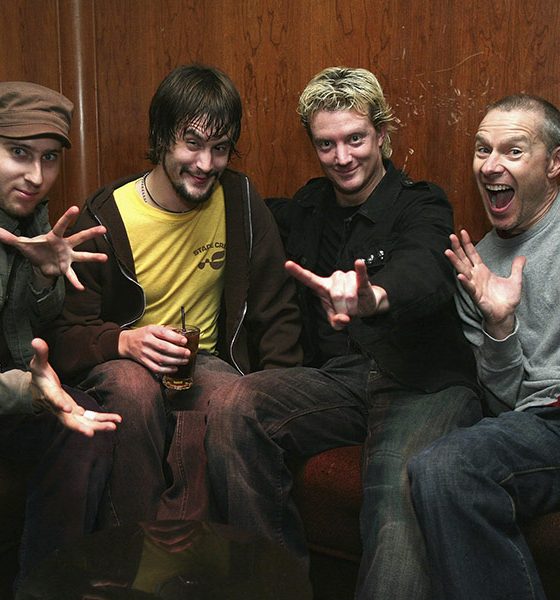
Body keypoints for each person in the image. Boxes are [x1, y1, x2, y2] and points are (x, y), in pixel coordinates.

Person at [205, 66, 482, 600]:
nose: (342, 157)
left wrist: (373, 296)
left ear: (381, 132)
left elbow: (426, 271)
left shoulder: (421, 202)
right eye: (326, 144)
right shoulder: (306, 208)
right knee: (235, 405)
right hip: (342, 381)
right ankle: (275, 588)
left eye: (355, 138)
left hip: (422, 382)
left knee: (396, 502)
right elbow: (232, 217)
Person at [47, 64, 302, 529]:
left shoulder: (241, 202)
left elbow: (276, 310)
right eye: (192, 143)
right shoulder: (106, 217)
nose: (206, 164)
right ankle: (133, 558)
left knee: (229, 397)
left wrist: (275, 397)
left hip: (206, 362)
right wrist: (123, 342)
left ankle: (188, 567)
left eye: (219, 148)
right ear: (162, 136)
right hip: (126, 364)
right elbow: (65, 336)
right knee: (131, 389)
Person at [408, 94, 560, 600]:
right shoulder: (477, 266)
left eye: (513, 151)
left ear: (554, 163)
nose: (491, 165)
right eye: (481, 149)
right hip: (539, 424)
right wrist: (500, 325)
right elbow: (504, 405)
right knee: (441, 468)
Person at [0, 81, 121, 583]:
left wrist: (47, 280)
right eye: (18, 152)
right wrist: (31, 391)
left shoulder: (32, 218)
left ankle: (49, 588)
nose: (36, 176)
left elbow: (24, 328)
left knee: (91, 426)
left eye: (49, 158)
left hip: (13, 394)